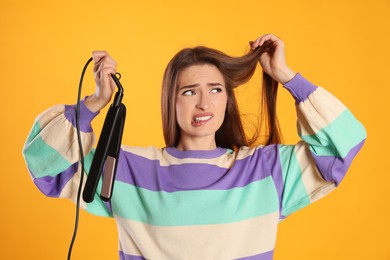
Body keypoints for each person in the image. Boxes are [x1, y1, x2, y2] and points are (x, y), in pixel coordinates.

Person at [23, 34, 366, 259]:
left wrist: (287, 76)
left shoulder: (267, 171)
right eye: (189, 92)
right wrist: (95, 102)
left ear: (228, 100)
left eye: (216, 89)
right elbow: (47, 167)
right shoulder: (127, 168)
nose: (204, 103)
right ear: (169, 102)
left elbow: (344, 144)